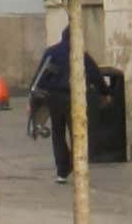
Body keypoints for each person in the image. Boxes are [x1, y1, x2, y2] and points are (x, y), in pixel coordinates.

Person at [32, 26, 101, 184]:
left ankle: (61, 171)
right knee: (77, 133)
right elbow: (95, 74)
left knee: (58, 132)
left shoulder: (51, 52)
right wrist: (105, 92)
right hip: (74, 98)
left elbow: (40, 76)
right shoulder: (80, 54)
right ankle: (74, 164)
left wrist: (34, 99)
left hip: (54, 98)